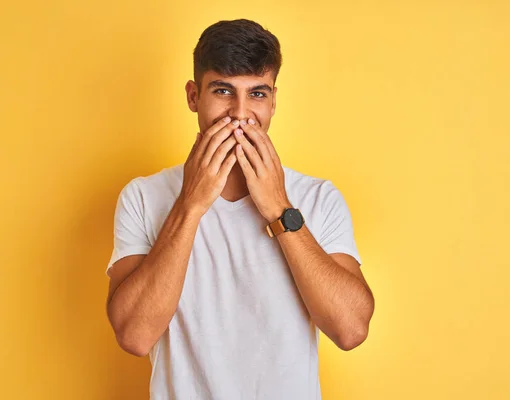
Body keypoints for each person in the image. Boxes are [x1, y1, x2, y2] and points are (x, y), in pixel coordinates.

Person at [105, 18, 375, 400]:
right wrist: (191, 204)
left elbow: (350, 331)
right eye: (223, 91)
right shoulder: (143, 197)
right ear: (193, 96)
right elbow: (134, 335)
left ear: (274, 101)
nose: (240, 113)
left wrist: (281, 210)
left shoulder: (317, 198)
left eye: (258, 94)